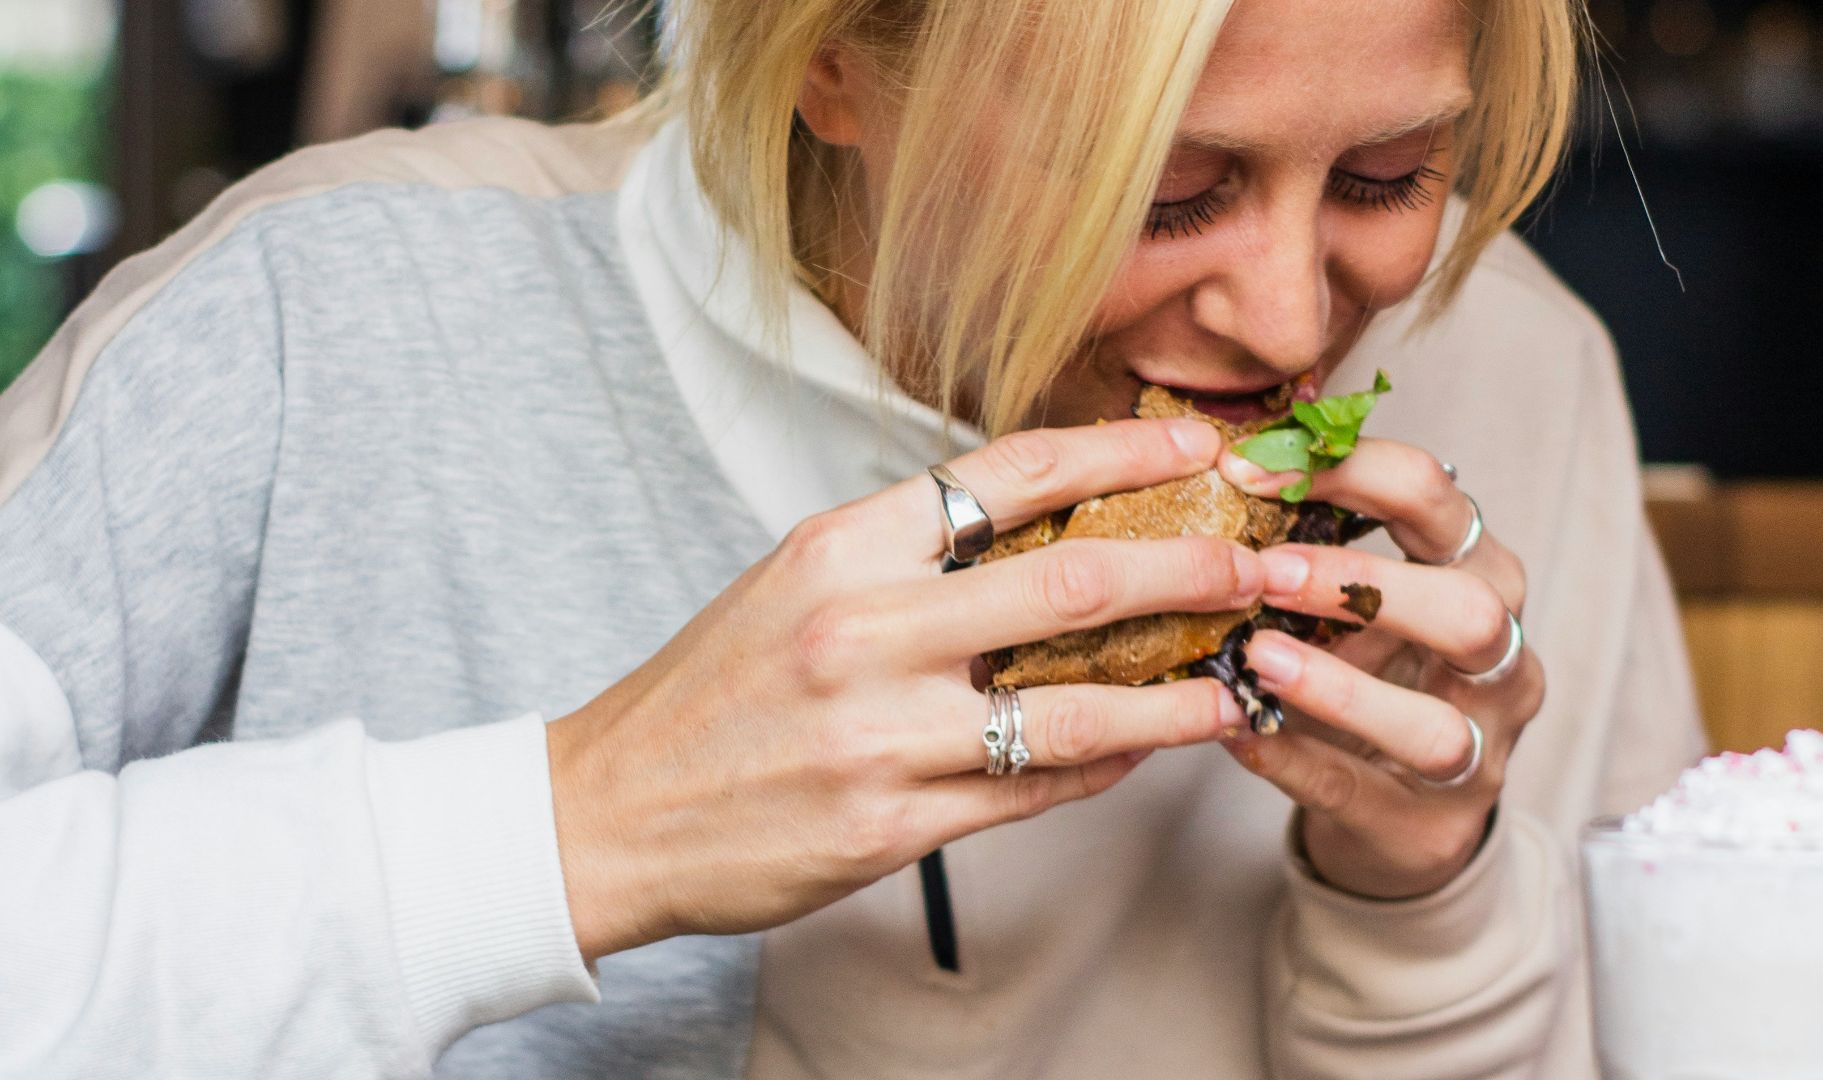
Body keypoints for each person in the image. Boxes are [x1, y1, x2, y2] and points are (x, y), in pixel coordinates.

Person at [0, 0, 1706, 1075]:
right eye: (1165, 190)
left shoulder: (1523, 371)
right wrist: (576, 823)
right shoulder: (322, 316)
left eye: (1392, 177)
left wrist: (1422, 890)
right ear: (826, 54)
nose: (1285, 317)